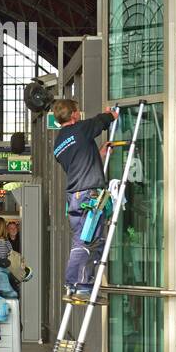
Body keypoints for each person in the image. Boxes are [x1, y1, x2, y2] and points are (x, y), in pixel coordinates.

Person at [51, 98, 119, 298]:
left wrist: (99, 154)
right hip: (88, 193)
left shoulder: (59, 143)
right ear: (73, 114)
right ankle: (78, 283)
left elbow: (77, 163)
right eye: (77, 111)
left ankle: (80, 282)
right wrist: (112, 114)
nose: (80, 113)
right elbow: (100, 121)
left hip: (75, 196)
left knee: (88, 238)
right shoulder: (80, 129)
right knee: (86, 240)